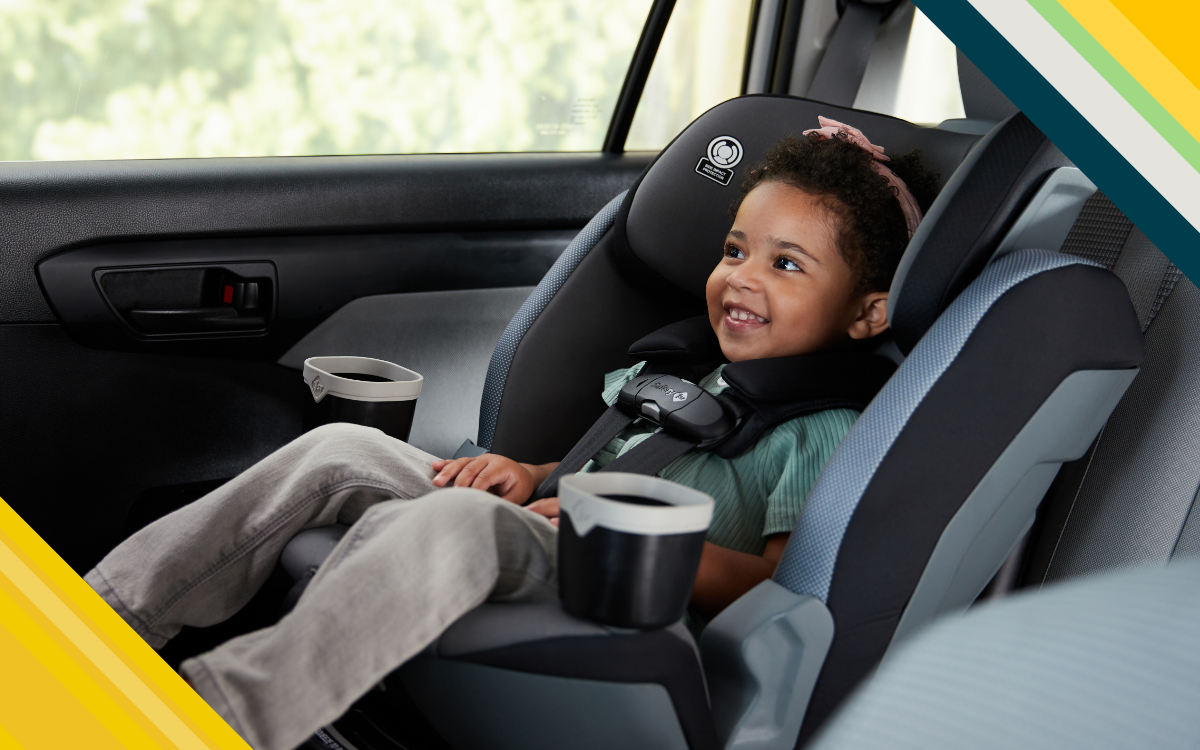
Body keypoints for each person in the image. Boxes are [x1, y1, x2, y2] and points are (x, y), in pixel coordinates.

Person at [85, 118, 938, 750]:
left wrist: (633, 541)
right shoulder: (695, 371)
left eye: (786, 265)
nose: (740, 279)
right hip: (550, 526)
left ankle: (221, 716)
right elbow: (600, 460)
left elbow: (780, 588)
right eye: (734, 249)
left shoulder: (824, 431)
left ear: (868, 312)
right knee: (343, 450)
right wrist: (529, 472)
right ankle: (104, 621)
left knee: (451, 522)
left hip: (627, 593)